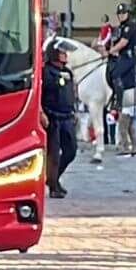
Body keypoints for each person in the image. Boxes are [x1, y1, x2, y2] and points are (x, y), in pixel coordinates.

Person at [41, 40, 77, 199]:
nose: (65, 55)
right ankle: (54, 186)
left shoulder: (68, 72)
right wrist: (42, 113)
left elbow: (71, 94)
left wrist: (74, 110)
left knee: (71, 151)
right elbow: (41, 95)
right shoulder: (46, 72)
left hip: (67, 117)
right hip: (53, 117)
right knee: (53, 155)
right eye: (62, 52)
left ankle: (53, 179)